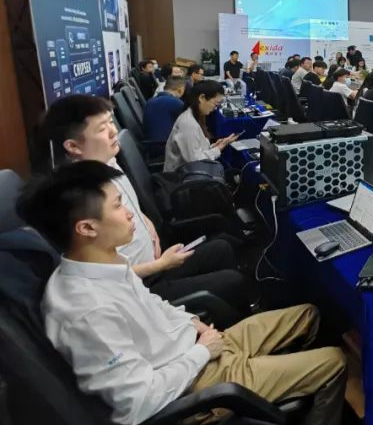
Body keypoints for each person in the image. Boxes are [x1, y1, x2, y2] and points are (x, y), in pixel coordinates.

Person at [17, 161, 346, 425]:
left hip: (195, 347)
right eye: (118, 206)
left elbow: (152, 303)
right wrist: (202, 352)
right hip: (195, 384)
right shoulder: (85, 312)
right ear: (87, 228)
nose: (129, 213)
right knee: (335, 361)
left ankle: (283, 387)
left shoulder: (104, 262)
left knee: (308, 314)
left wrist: (192, 323)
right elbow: (136, 404)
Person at [41, 95, 249, 312]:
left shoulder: (108, 161)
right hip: (140, 285)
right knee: (233, 281)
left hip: (155, 259)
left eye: (111, 122)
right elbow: (105, 279)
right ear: (73, 146)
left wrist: (148, 225)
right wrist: (161, 264)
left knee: (222, 248)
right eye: (102, 128)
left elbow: (132, 206)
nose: (113, 132)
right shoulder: (80, 198)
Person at [164, 80, 239, 172]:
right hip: (181, 177)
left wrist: (214, 146)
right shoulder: (188, 124)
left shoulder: (193, 116)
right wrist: (218, 148)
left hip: (188, 172)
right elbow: (195, 161)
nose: (215, 108)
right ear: (202, 98)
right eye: (215, 104)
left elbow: (196, 150)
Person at [143, 76, 187, 144]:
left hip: (148, 144)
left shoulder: (149, 101)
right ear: (180, 90)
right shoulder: (177, 103)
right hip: (164, 145)